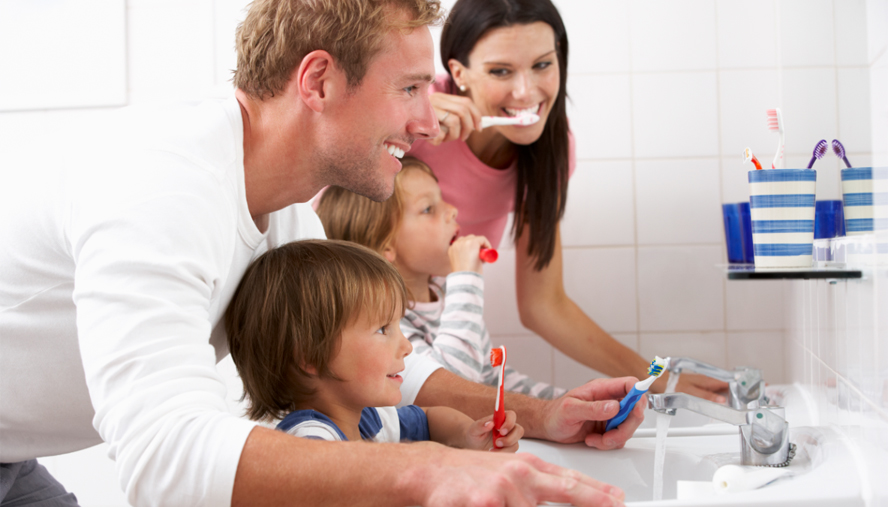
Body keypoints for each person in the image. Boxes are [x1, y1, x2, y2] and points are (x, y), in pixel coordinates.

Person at [0, 0, 635, 506]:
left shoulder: (286, 206)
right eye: (410, 88)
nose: (427, 122)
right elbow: (165, 459)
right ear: (320, 81)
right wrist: (425, 471)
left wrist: (544, 415)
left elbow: (367, 356)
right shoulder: (161, 184)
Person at [409, 0, 728, 402]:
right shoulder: (415, 114)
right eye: (501, 71)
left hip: (438, 330)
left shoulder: (552, 150)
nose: (526, 91)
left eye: (542, 64)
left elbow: (544, 304)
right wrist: (396, 115)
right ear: (458, 73)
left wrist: (655, 378)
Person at [225, 239, 524, 451]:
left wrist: (469, 434)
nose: (406, 346)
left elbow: (429, 419)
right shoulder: (310, 442)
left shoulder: (367, 418)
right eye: (383, 329)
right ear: (311, 356)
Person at [317, 157, 566, 400]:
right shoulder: (386, 321)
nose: (452, 210)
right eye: (428, 209)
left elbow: (490, 378)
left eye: (442, 199)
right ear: (387, 247)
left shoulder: (446, 294)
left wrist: (562, 402)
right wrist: (466, 279)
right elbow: (456, 388)